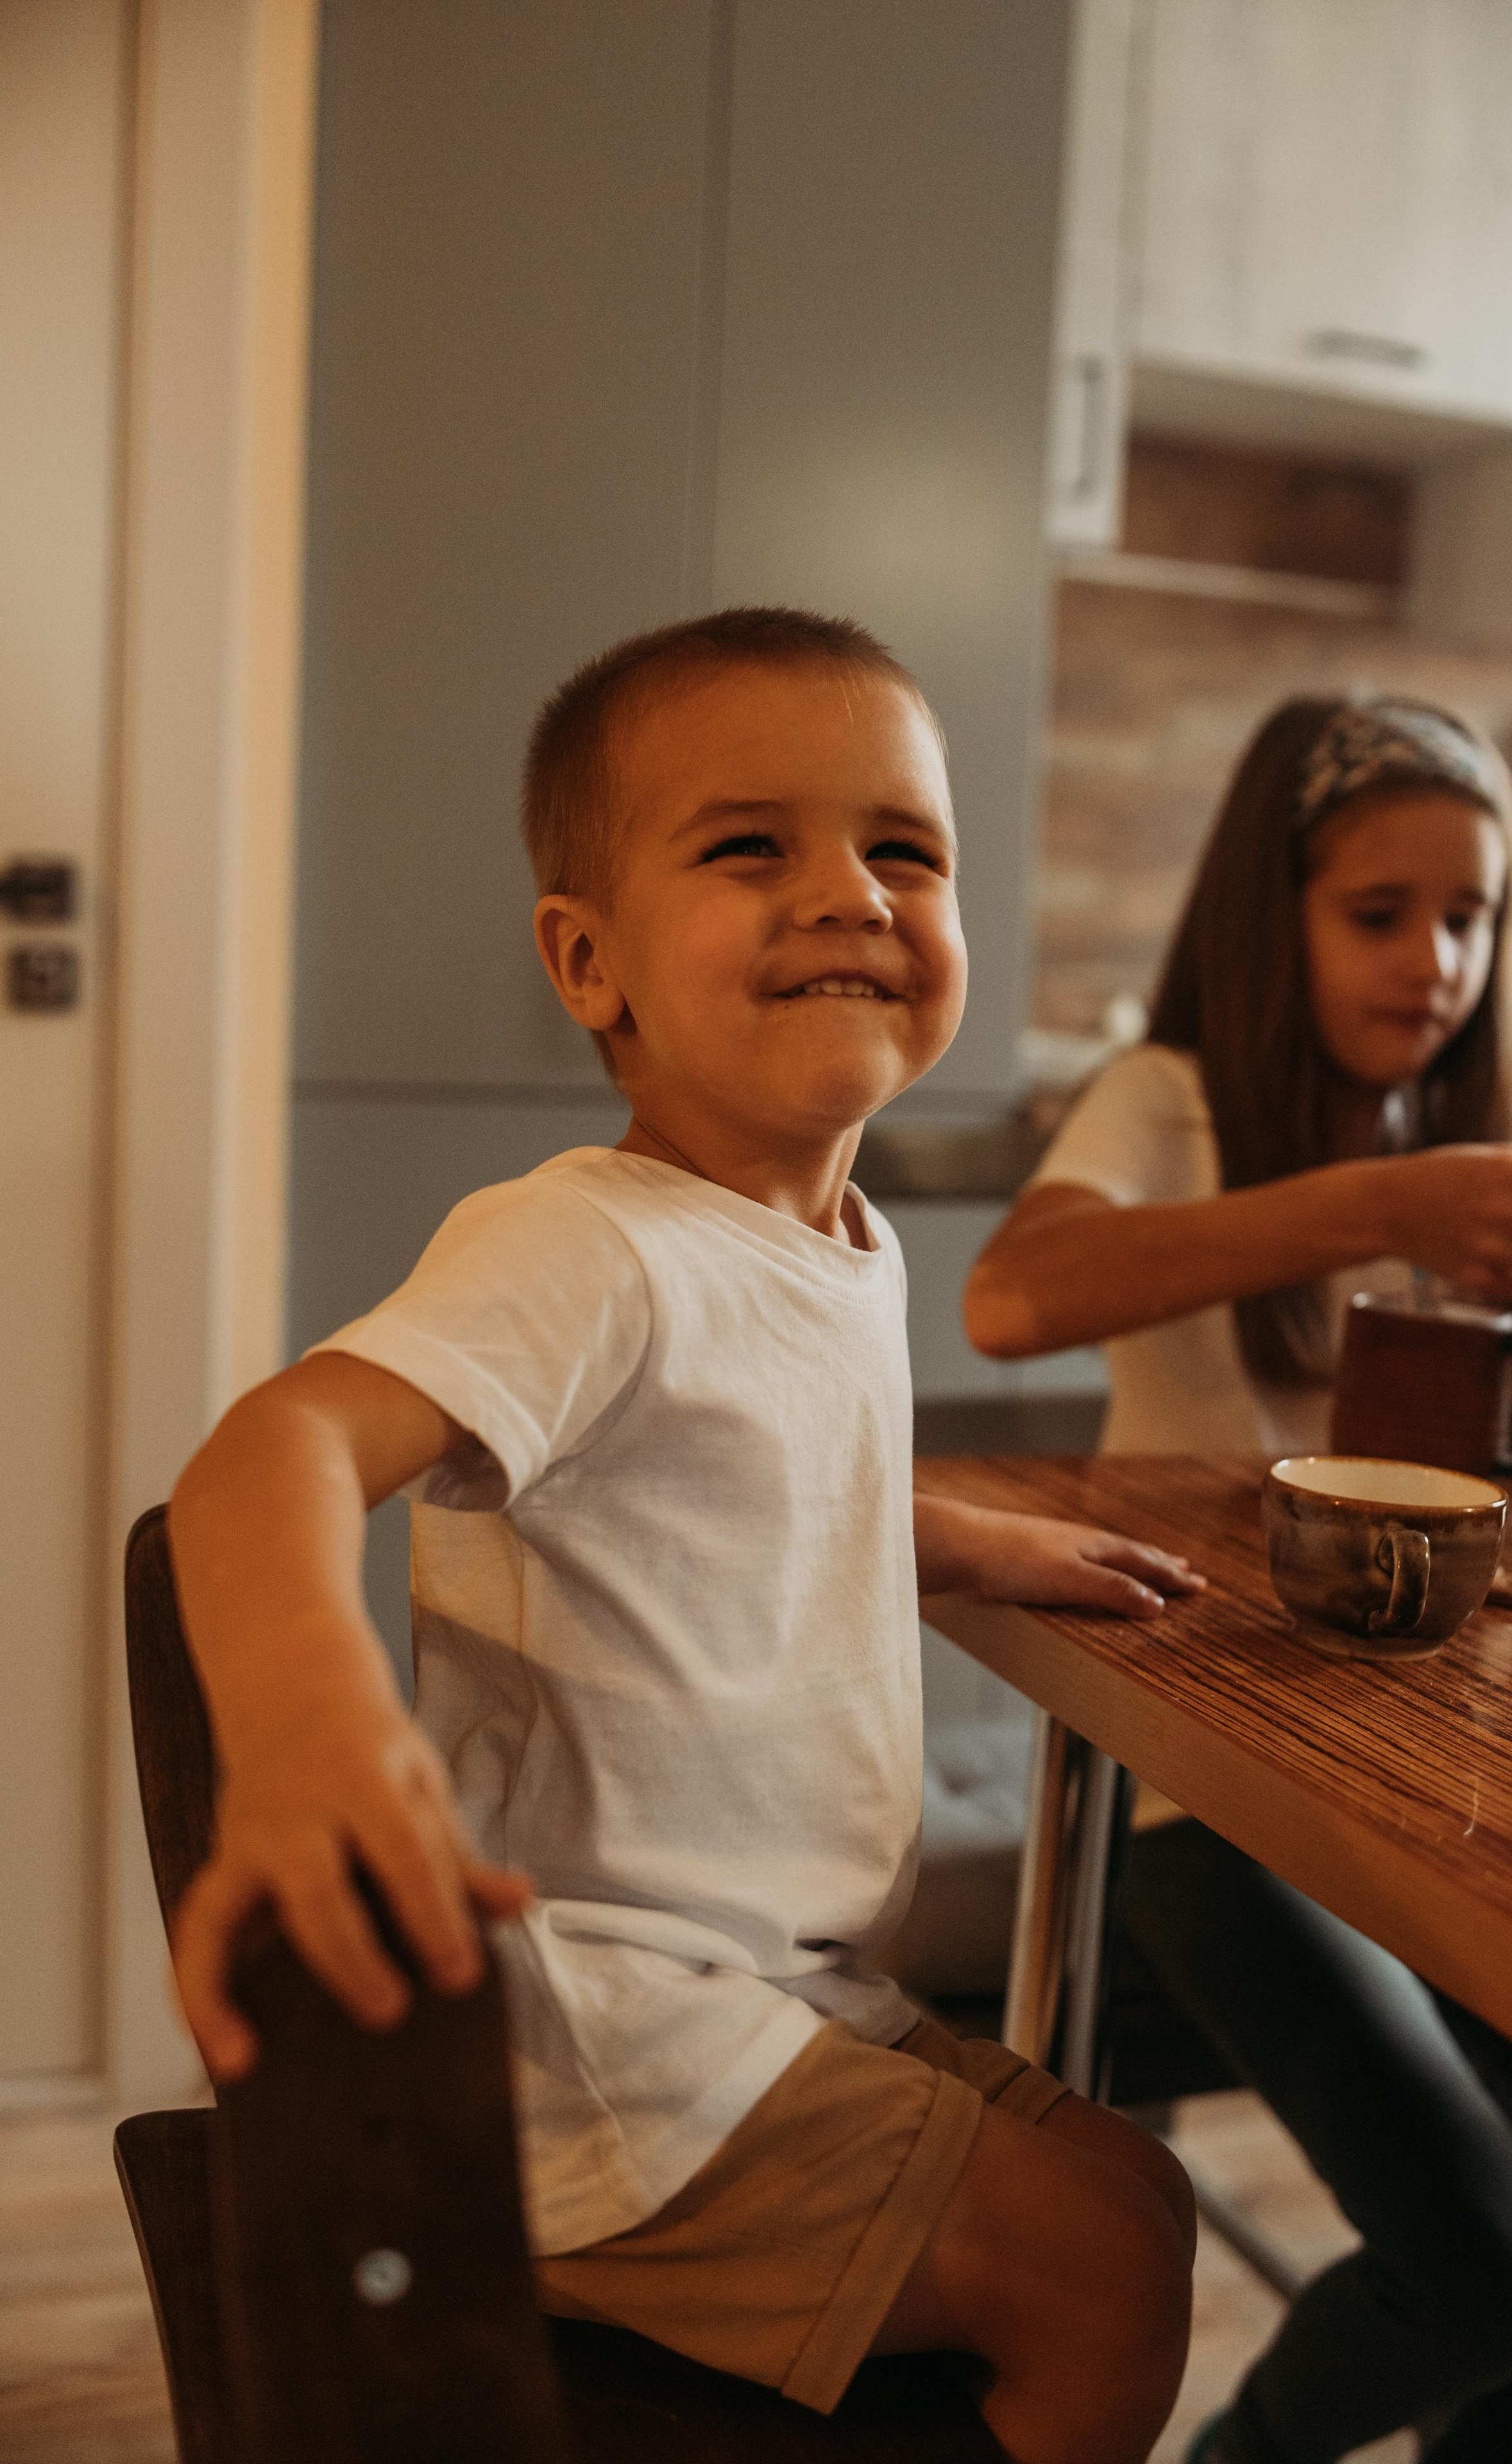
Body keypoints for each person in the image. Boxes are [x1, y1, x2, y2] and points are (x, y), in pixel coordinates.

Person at [166, 608, 1205, 2464]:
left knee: (1132, 2182)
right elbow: (277, 1448)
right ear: (589, 960)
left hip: (777, 1990)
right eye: (750, 847)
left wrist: (955, 1540)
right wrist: (311, 1724)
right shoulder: (587, 1240)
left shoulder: (836, 1245)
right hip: (598, 2043)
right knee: (1105, 2269)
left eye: (906, 847)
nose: (850, 895)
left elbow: (738, 1487)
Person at [966, 695, 1512, 2464]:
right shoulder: (1173, 1098)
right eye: (1379, 913)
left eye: (1473, 918)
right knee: (1489, 2273)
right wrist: (1381, 1205)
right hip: (1215, 1802)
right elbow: (1013, 1300)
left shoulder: (1479, 1127)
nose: (1436, 957)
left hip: (1464, 1795)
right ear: (1274, 918)